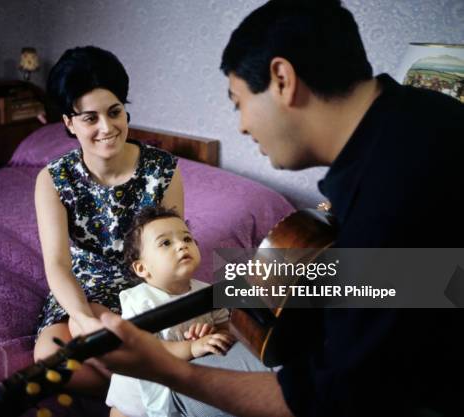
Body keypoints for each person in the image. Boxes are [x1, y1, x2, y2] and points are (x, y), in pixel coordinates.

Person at [96, 0, 464, 416]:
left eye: (239, 103)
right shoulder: (424, 120)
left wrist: (166, 370)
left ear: (282, 79)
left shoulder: (391, 196)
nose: (242, 126)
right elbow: (433, 281)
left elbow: (333, 398)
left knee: (168, 387)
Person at [33, 45, 185, 395]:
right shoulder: (53, 180)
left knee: (129, 345)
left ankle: (140, 380)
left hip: (145, 282)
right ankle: (147, 379)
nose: (107, 127)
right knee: (50, 361)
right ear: (69, 123)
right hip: (81, 287)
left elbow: (170, 244)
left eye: (115, 112)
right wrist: (84, 317)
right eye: (90, 118)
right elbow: (57, 264)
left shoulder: (163, 170)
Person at [105, 206, 236, 417]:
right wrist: (192, 347)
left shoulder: (207, 292)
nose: (182, 246)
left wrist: (214, 335)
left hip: (182, 392)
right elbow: (147, 349)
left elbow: (225, 326)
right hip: (137, 396)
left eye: (187, 239)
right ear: (142, 268)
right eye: (166, 243)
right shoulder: (139, 301)